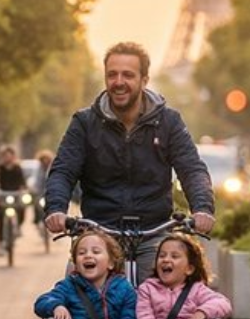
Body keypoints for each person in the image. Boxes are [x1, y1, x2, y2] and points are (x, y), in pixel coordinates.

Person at [43, 41, 215, 276]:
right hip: (98, 234)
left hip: (153, 234)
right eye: (112, 75)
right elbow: (63, 170)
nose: (119, 82)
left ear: (144, 80)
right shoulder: (84, 123)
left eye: (128, 75)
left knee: (175, 288)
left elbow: (192, 168)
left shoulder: (169, 122)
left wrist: (202, 208)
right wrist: (56, 209)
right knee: (76, 289)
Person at [33, 229, 138, 319]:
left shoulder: (125, 289)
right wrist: (56, 306)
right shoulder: (69, 286)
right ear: (76, 264)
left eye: (96, 252)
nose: (88, 255)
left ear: (111, 263)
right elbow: (43, 301)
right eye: (81, 253)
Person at [136, 233, 232, 319]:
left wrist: (202, 311)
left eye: (174, 256)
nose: (166, 259)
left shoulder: (196, 290)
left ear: (189, 269)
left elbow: (223, 303)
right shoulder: (147, 289)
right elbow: (144, 317)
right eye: (162, 256)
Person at [0, 145, 28, 251]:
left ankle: (18, 227)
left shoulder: (17, 168)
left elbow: (22, 182)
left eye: (9, 155)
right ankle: (1, 243)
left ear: (13, 156)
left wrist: (23, 189)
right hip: (2, 195)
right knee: (0, 217)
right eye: (5, 156)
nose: (7, 158)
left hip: (16, 195)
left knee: (22, 208)